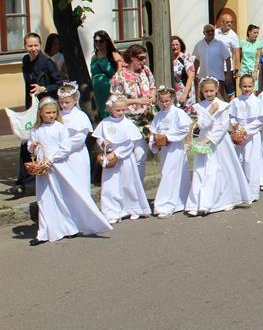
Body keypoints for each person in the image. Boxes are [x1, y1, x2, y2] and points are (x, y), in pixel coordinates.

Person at [27, 97, 111, 245]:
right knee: (44, 199)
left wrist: (51, 160)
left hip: (58, 168)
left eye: (54, 112)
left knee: (62, 196)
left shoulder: (59, 128)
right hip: (43, 171)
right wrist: (32, 146)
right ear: (40, 113)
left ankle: (68, 227)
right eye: (48, 112)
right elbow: (30, 146)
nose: (51, 115)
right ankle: (45, 231)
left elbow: (65, 148)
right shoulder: (36, 129)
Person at [185, 77, 253, 215]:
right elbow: (202, 125)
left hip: (219, 142)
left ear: (216, 90)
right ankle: (196, 203)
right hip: (204, 141)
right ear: (202, 92)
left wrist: (210, 139)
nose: (209, 94)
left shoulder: (222, 105)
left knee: (219, 171)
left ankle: (223, 200)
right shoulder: (200, 106)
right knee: (201, 171)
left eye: (211, 91)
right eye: (206, 91)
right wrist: (210, 112)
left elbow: (223, 126)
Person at [93, 95, 153, 224]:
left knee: (128, 184)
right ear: (110, 109)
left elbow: (129, 143)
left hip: (125, 158)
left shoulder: (127, 123)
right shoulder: (105, 123)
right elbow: (99, 138)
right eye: (117, 110)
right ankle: (111, 211)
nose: (120, 113)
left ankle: (133, 208)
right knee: (110, 185)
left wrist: (117, 153)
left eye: (123, 110)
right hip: (110, 158)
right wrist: (104, 142)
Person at [16, 32, 62, 195]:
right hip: (32, 107)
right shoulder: (26, 61)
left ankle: (41, 175)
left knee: (41, 141)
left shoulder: (47, 62)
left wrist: (44, 88)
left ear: (40, 45)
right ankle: (24, 180)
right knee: (27, 141)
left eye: (36, 45)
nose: (34, 49)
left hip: (45, 107)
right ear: (25, 47)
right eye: (30, 46)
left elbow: (59, 83)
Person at [109, 43, 156, 182]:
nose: (143, 61)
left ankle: (139, 190)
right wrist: (138, 101)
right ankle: (129, 189)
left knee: (141, 156)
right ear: (131, 58)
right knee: (129, 157)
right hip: (128, 120)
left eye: (144, 58)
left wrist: (152, 95)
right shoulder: (119, 76)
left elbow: (152, 86)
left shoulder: (145, 71)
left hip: (145, 119)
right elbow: (115, 100)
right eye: (140, 58)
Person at [148, 86, 193, 217]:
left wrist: (168, 137)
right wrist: (155, 142)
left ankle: (165, 205)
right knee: (169, 173)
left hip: (176, 149)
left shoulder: (178, 113)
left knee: (170, 173)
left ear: (172, 99)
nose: (165, 103)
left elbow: (184, 129)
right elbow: (153, 132)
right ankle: (180, 200)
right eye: (162, 101)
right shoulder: (159, 115)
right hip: (165, 150)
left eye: (167, 101)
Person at [228, 74, 263, 201]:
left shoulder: (257, 102)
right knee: (238, 161)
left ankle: (252, 192)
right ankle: (239, 191)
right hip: (238, 136)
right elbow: (232, 116)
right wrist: (234, 124)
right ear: (240, 86)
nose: (247, 89)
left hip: (251, 137)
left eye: (249, 86)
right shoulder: (235, 102)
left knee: (250, 162)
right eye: (244, 86)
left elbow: (259, 120)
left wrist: (246, 130)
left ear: (253, 86)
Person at [57, 82, 93, 189]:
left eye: (67, 102)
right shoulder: (58, 115)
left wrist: (63, 149)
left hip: (76, 154)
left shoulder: (80, 116)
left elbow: (79, 139)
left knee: (79, 183)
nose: (64, 105)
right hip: (61, 155)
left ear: (75, 99)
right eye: (61, 102)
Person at [90, 30, 123, 120]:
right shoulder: (94, 57)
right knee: (99, 112)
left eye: (101, 41)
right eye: (96, 41)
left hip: (109, 88)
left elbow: (121, 71)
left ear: (106, 41)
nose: (98, 43)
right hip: (96, 90)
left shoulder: (113, 54)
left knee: (109, 110)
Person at [215, 13, 241, 99]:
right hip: (216, 67)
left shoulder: (233, 35)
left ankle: (232, 109)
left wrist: (237, 68)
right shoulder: (215, 33)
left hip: (227, 68)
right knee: (217, 89)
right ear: (221, 23)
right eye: (227, 22)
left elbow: (236, 52)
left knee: (230, 90)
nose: (230, 24)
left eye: (231, 22)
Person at [171, 36, 196, 112]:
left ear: (181, 45)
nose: (175, 47)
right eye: (172, 45)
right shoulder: (168, 59)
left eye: (177, 44)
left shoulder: (185, 58)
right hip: (173, 95)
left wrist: (184, 94)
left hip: (185, 95)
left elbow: (191, 76)